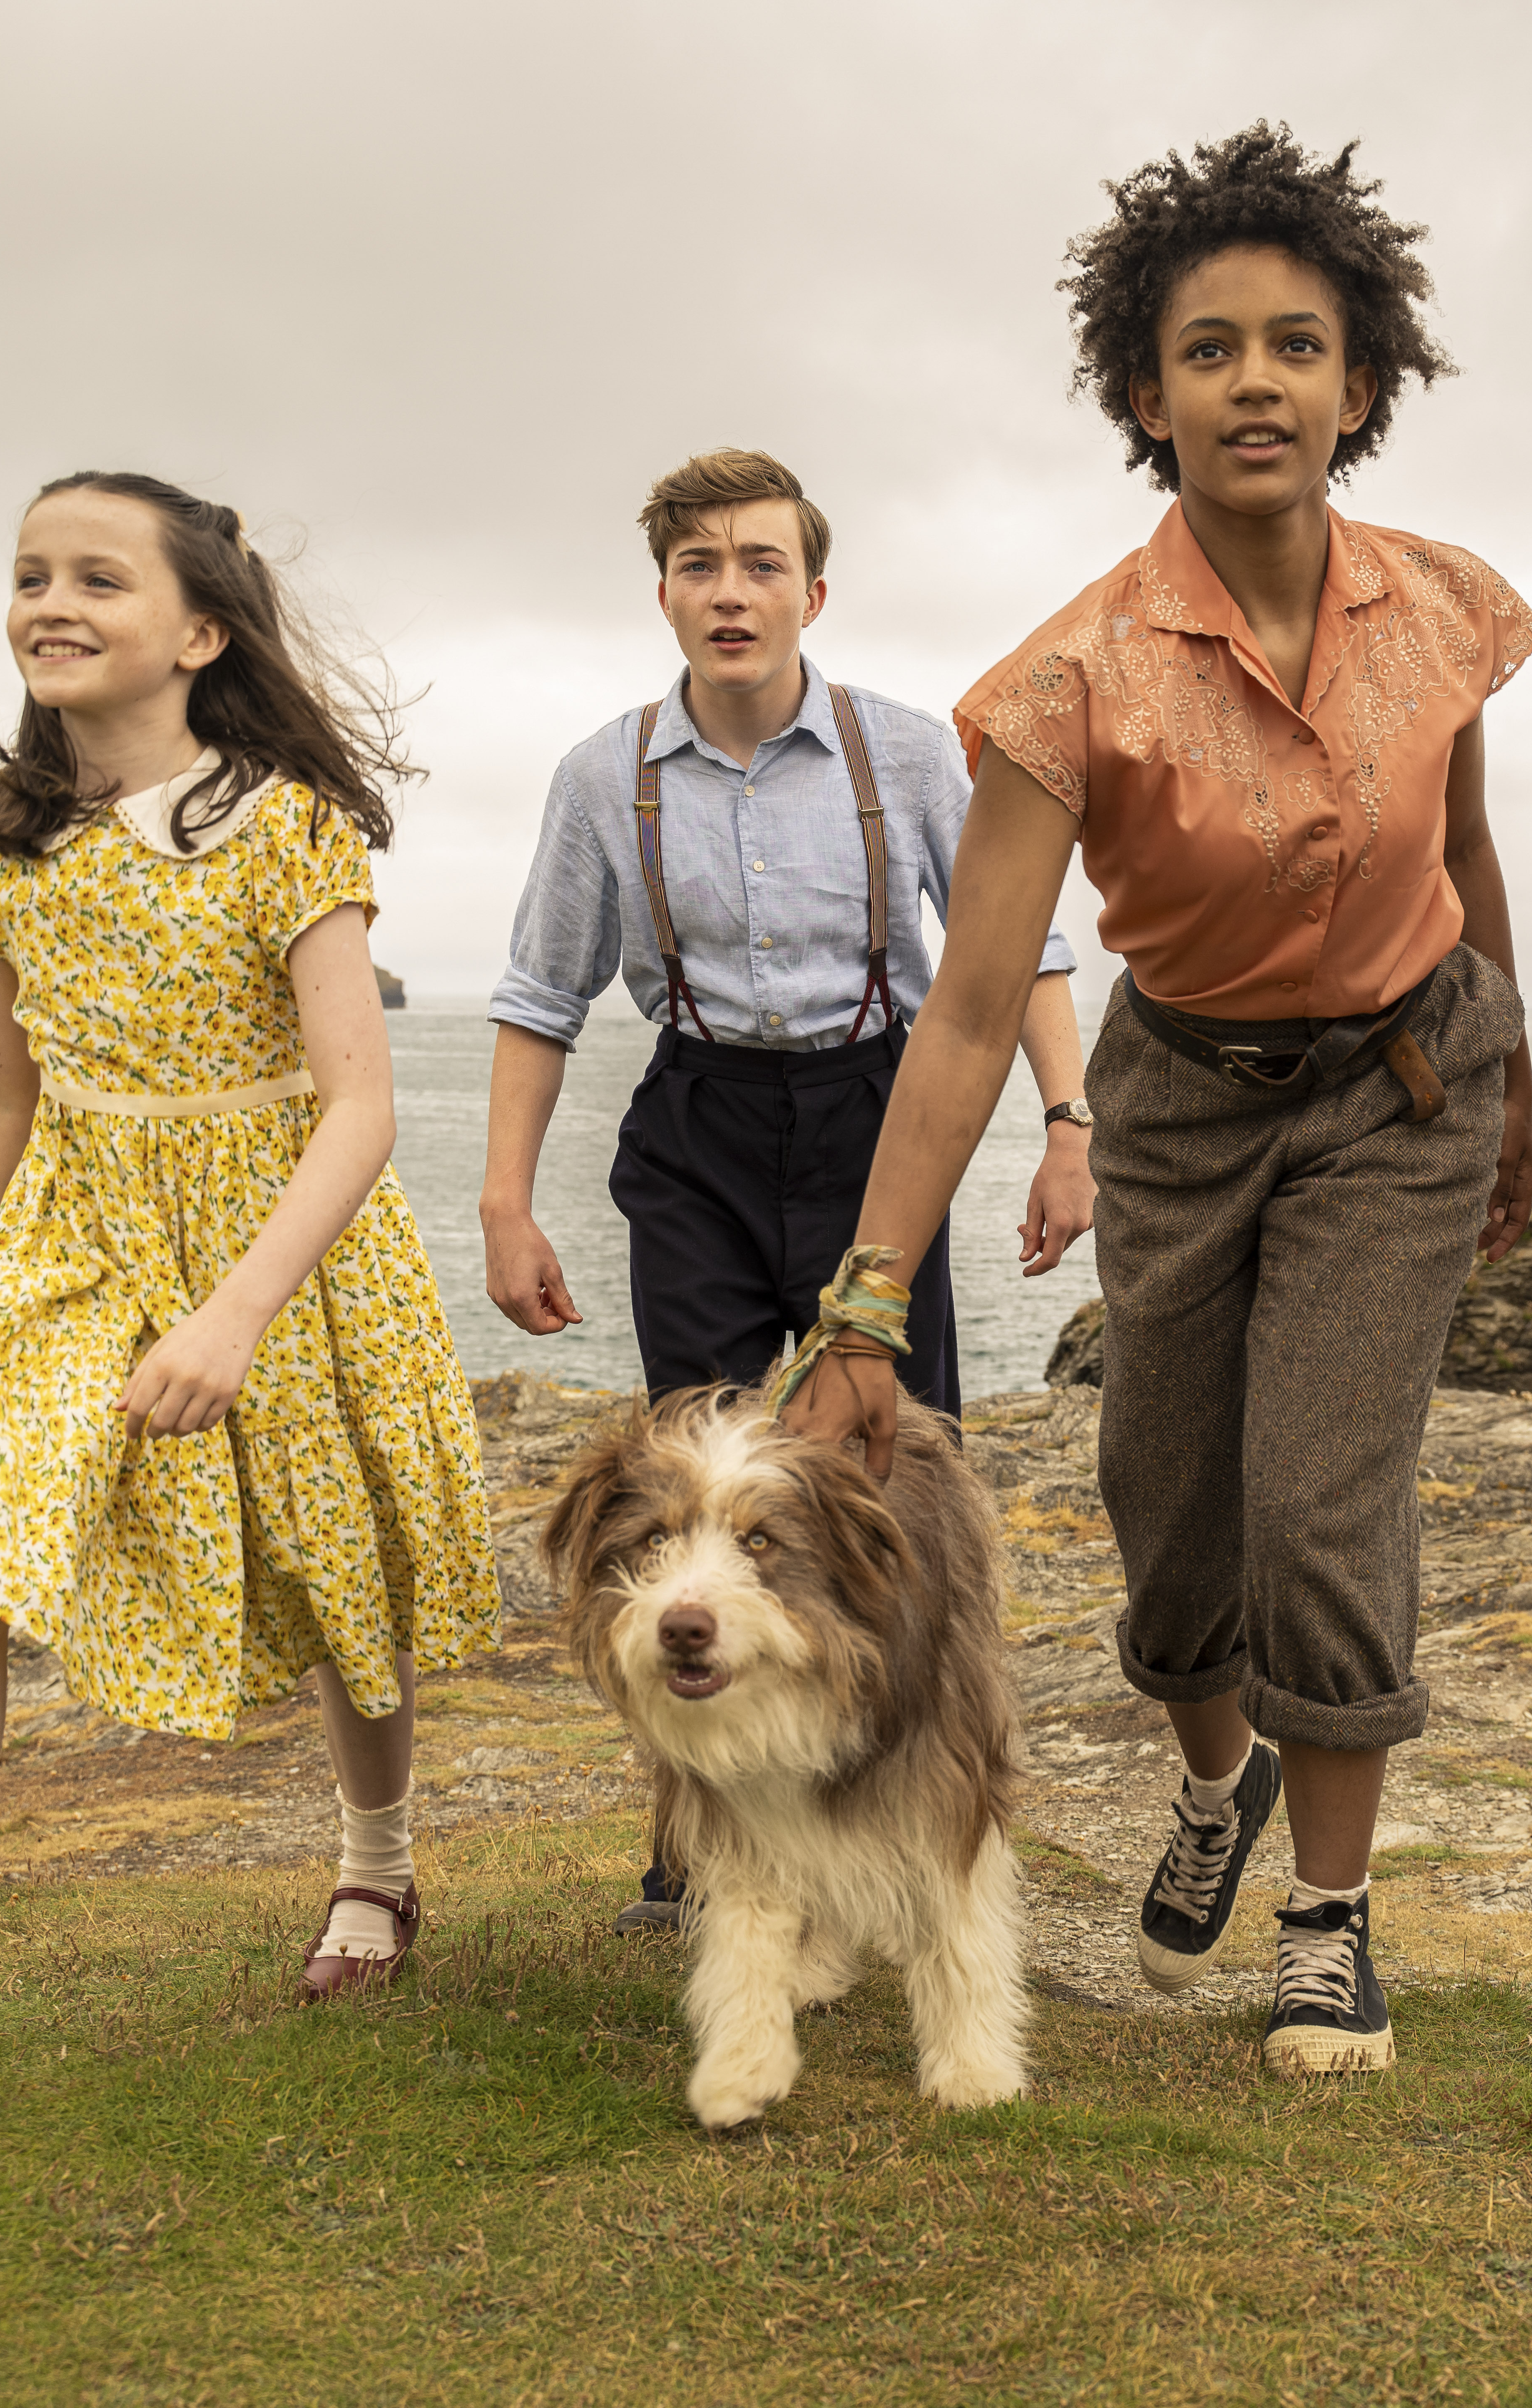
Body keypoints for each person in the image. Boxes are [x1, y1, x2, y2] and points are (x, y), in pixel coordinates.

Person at [781, 126, 1532, 2077]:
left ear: (1361, 385)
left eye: (1300, 345)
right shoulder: (1070, 683)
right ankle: (1221, 1786)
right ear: (1148, 392)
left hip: (1403, 1083)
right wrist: (868, 1301)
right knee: (1167, 1507)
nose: (1258, 382)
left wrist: (1510, 1080)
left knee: (1323, 1494)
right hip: (1187, 1102)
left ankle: (1331, 1923)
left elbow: (1464, 849)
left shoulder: (1451, 607)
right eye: (1212, 350)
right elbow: (967, 1012)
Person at [0, 472, 497, 2127]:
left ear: (199, 631)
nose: (51, 602)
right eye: (30, 575)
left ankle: (378, 1860)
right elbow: (1, 1096)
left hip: (279, 1237)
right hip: (74, 1232)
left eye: (97, 579)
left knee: (341, 1578)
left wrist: (234, 1318)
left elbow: (360, 1109)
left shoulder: (284, 827)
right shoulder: (1, 837)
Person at [479, 448, 1095, 1934]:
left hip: (877, 1122)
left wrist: (1070, 1124)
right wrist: (508, 1201)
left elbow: (1020, 955)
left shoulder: (906, 754)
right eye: (702, 567)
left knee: (883, 1477)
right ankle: (701, 1856)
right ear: (668, 597)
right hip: (694, 1122)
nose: (732, 592)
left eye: (762, 565)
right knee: (686, 1498)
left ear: (813, 594)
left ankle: (903, 1814)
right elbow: (538, 996)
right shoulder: (601, 777)